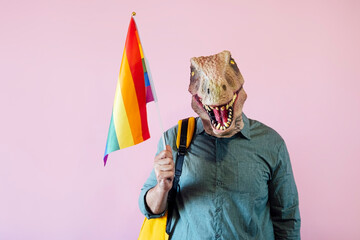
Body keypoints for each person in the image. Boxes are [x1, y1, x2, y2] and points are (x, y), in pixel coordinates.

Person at [139, 50, 301, 239]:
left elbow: (286, 218)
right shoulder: (173, 139)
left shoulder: (271, 143)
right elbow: (151, 210)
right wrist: (162, 187)